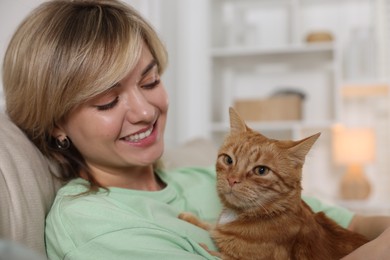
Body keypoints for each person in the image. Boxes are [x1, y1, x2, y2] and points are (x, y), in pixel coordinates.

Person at [2, 0, 390, 259]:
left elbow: (354, 224)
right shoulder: (92, 227)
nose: (144, 111)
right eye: (107, 101)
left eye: (150, 82)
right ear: (56, 124)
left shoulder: (208, 177)